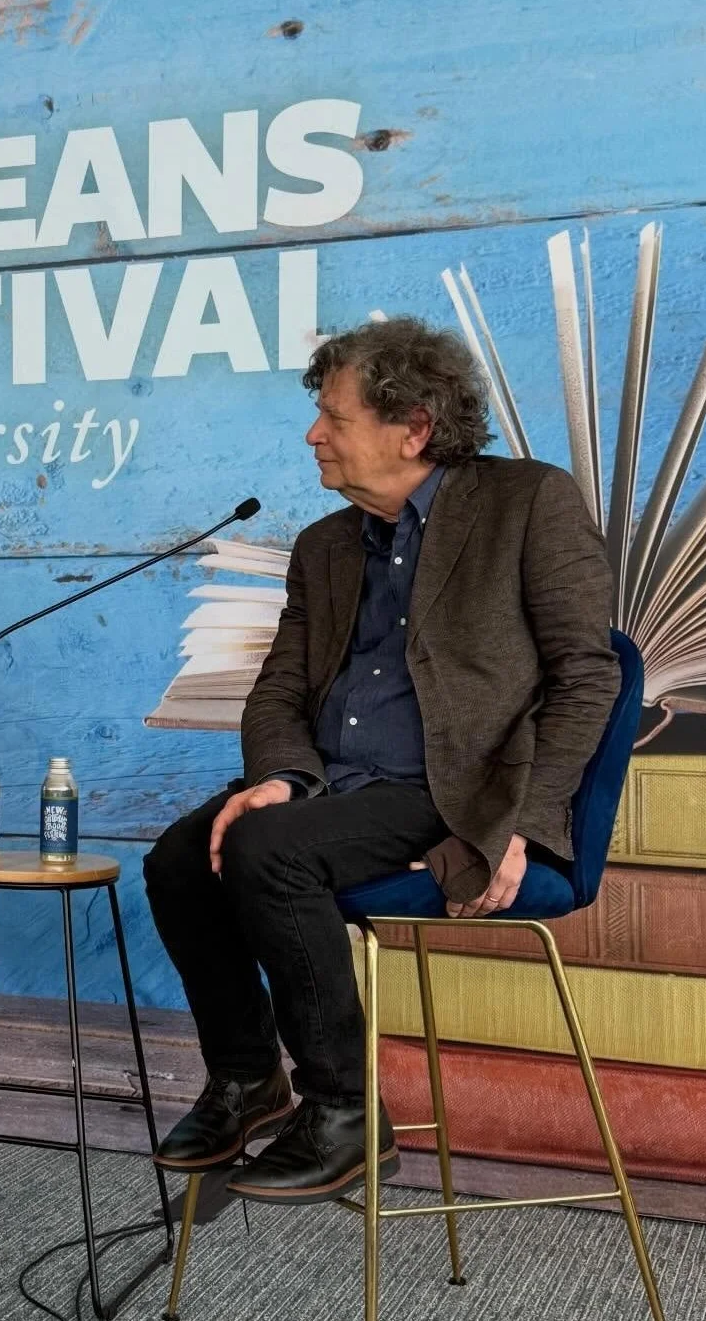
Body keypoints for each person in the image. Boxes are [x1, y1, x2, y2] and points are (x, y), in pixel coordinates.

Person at [144, 318, 619, 1203]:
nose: (311, 434)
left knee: (265, 852)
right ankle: (250, 1079)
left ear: (413, 426)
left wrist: (521, 824)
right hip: (335, 786)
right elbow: (279, 689)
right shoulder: (324, 547)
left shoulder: (526, 502)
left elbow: (586, 675)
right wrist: (280, 779)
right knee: (180, 854)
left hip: (453, 789)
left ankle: (345, 1109)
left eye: (333, 416)